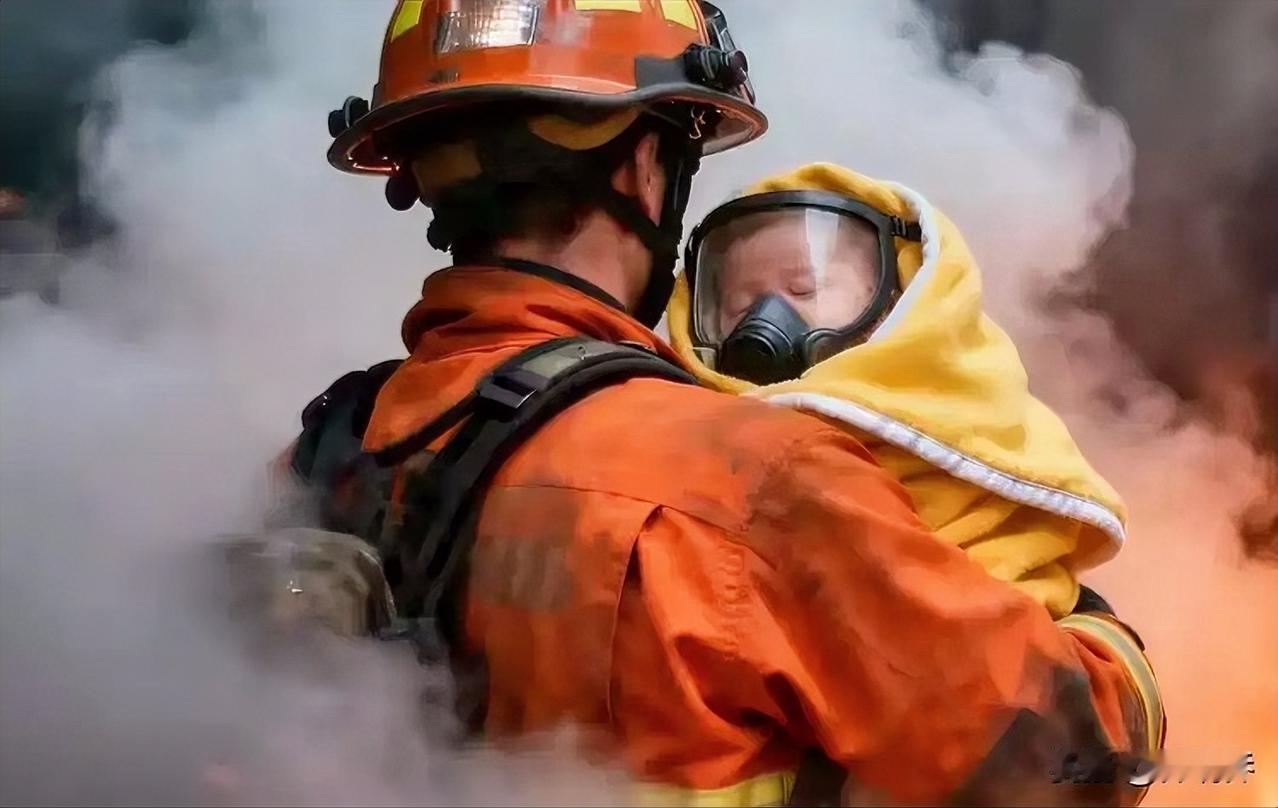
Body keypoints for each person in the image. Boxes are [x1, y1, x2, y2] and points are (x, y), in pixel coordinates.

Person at [287, 2, 1162, 804]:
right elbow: (1061, 770)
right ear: (644, 168)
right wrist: (1098, 637)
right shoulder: (754, 486)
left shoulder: (326, 450)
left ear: (425, 172)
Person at [667, 162, 1134, 619]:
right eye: (741, 303)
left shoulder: (973, 407)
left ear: (894, 298)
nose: (767, 316)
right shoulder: (696, 450)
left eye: (804, 288)